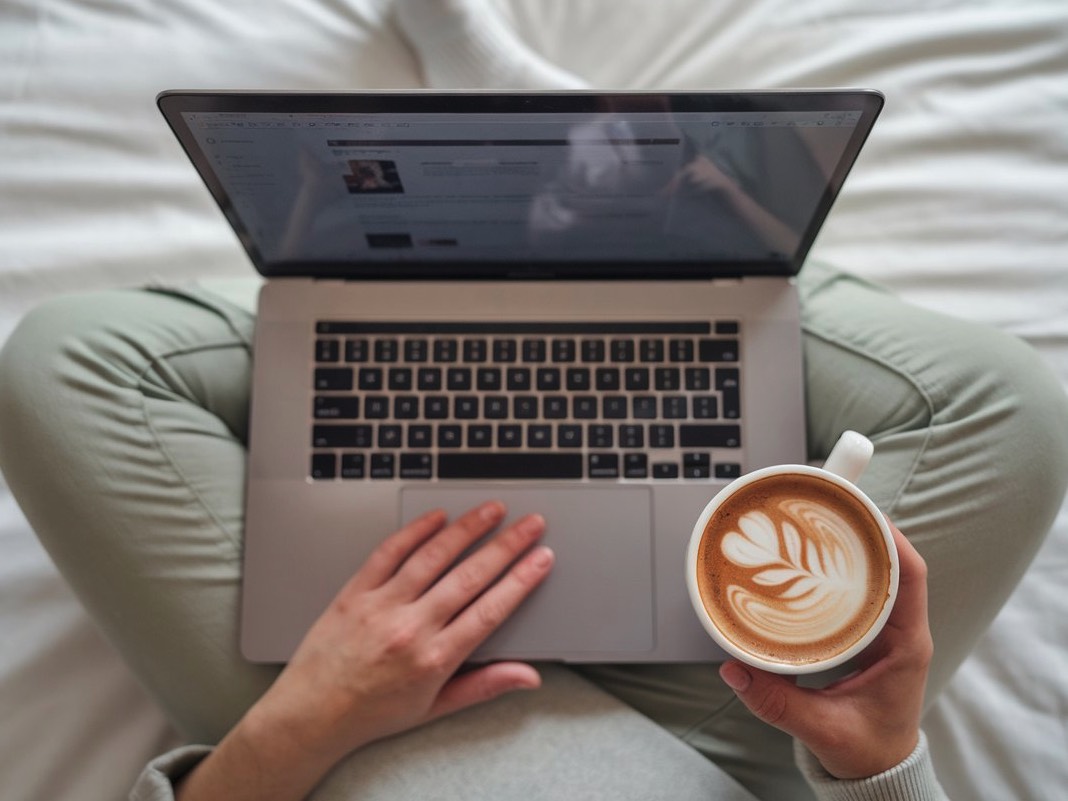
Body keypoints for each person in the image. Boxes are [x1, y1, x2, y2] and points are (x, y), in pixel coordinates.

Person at [1, 2, 1066, 799]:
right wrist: (879, 764)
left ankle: (469, 246)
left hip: (362, 735)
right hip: (766, 740)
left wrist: (300, 726)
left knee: (64, 365)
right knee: (1010, 410)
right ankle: (628, 221)